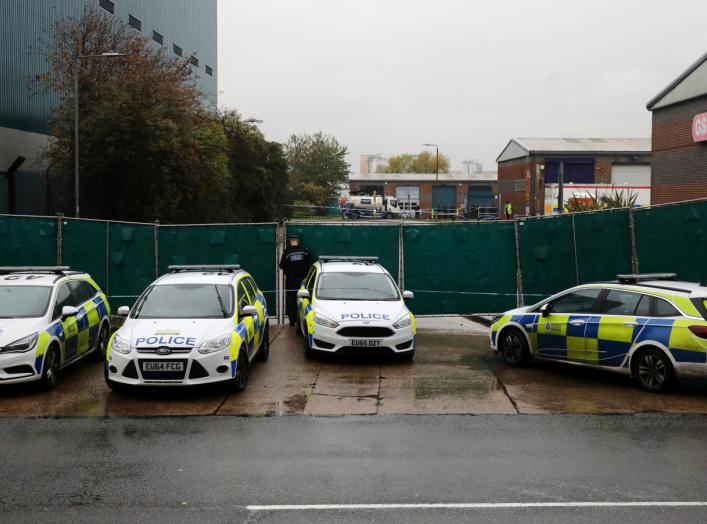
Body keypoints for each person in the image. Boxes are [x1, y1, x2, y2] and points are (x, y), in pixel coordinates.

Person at [279, 233, 314, 326]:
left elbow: (281, 265)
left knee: (291, 301)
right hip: (303, 281)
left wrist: (289, 271)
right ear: (298, 241)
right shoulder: (305, 252)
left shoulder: (287, 253)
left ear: (290, 241)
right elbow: (311, 262)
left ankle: (292, 321)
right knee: (304, 299)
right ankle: (303, 320)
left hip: (291, 281)